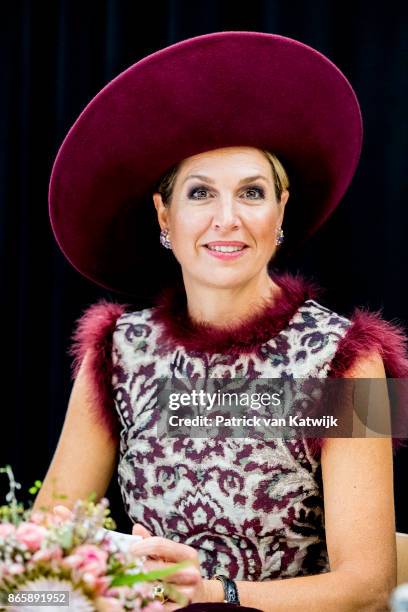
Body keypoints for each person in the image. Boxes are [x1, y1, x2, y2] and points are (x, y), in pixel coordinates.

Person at [34, 32, 408, 610]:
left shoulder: (350, 356)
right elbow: (37, 565)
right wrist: (88, 597)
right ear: (165, 214)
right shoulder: (115, 352)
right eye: (201, 193)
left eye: (252, 192)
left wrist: (213, 595)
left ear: (281, 209)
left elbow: (370, 583)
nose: (227, 220)